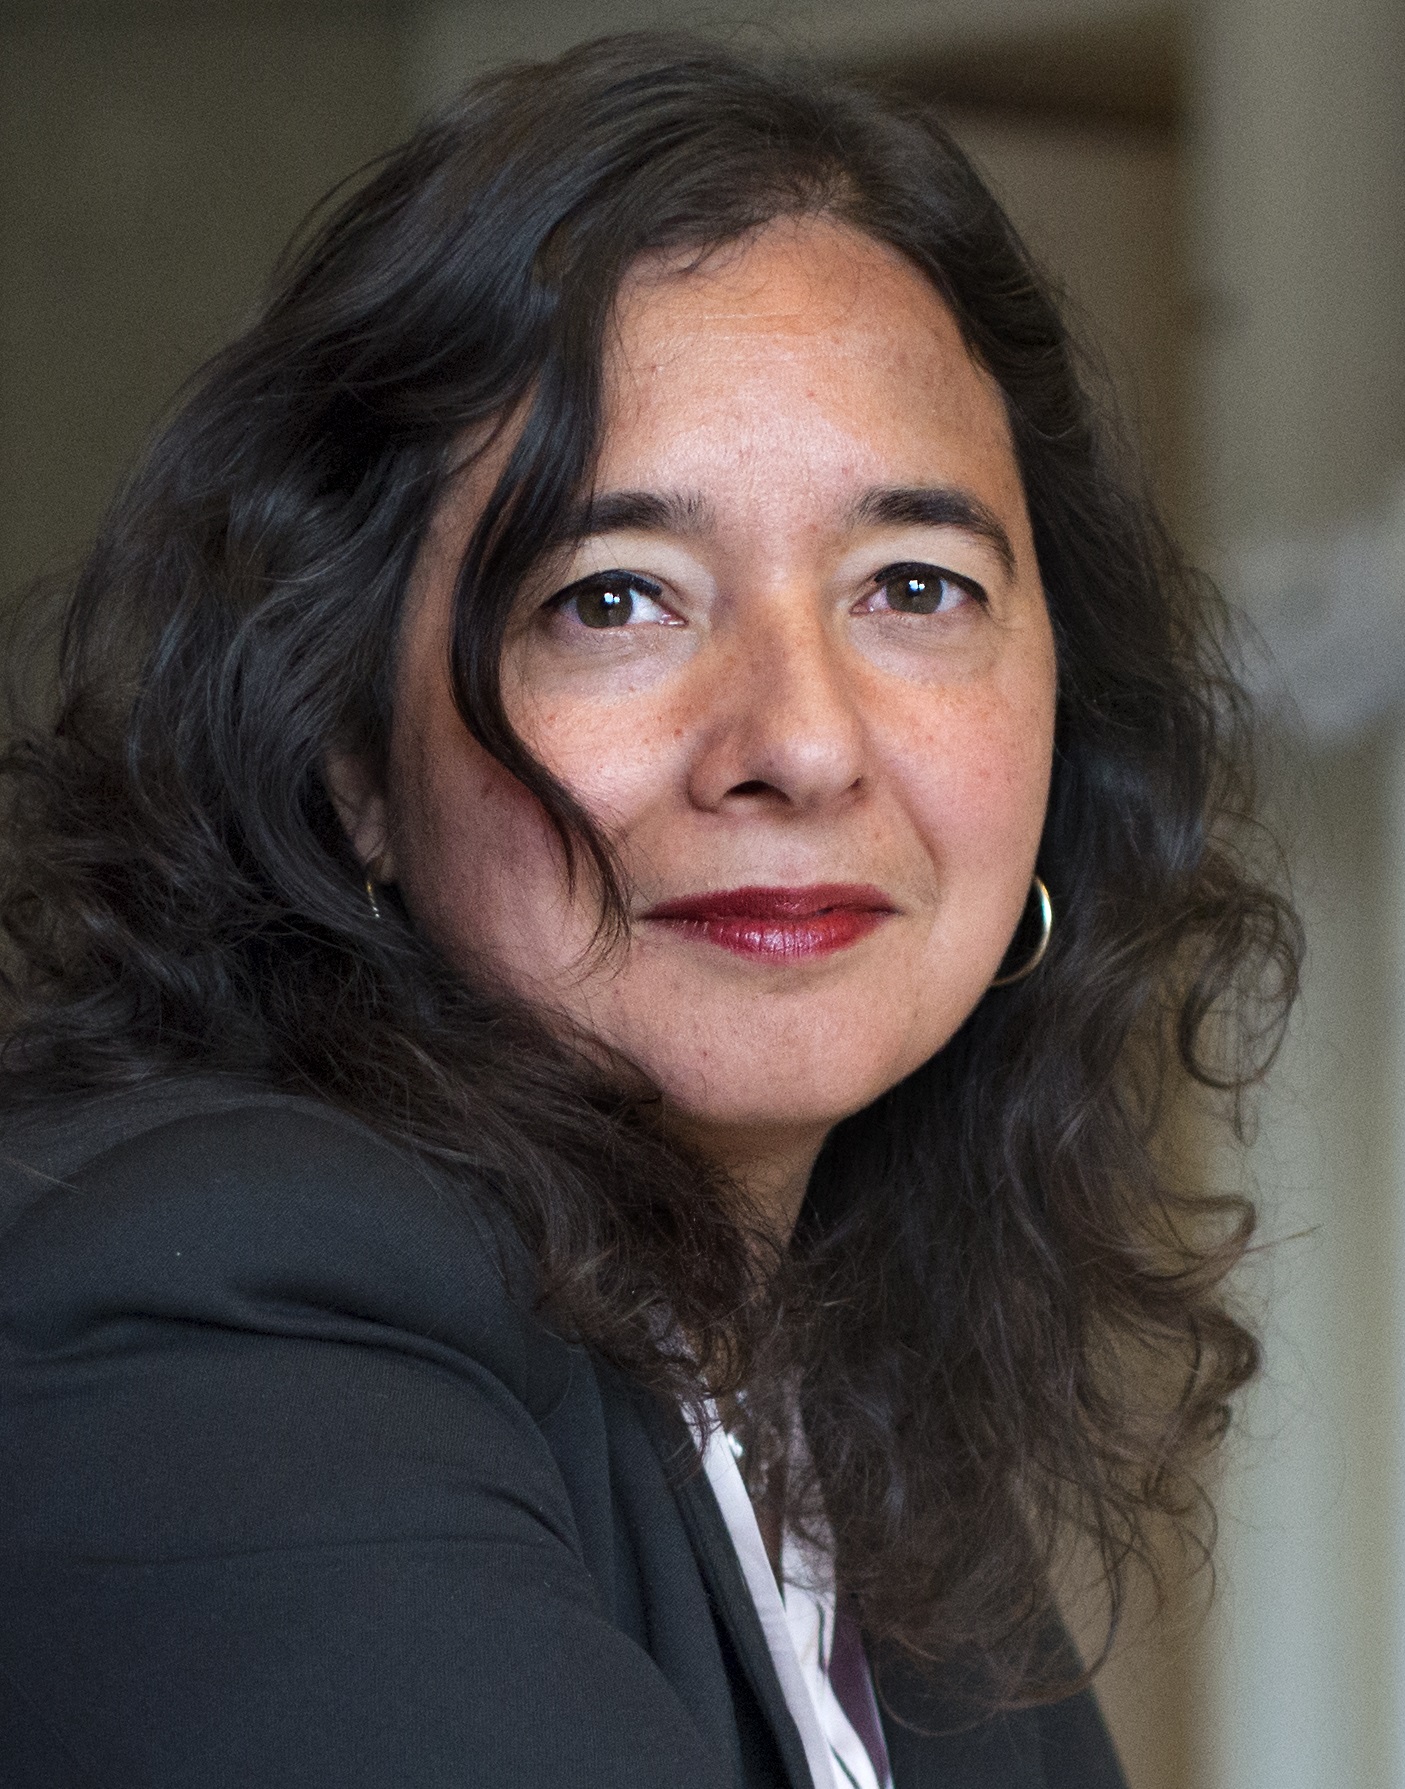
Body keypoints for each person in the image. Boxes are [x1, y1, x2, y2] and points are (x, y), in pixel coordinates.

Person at [0, 33, 1300, 1789]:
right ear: (349, 752)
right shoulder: (217, 1302)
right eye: (615, 599)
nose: (800, 744)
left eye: (913, 587)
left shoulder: (840, 1430)